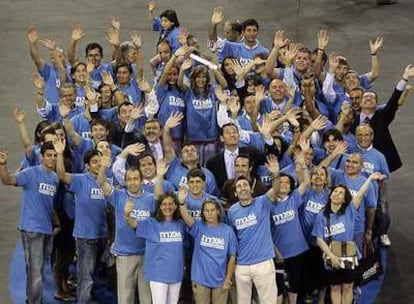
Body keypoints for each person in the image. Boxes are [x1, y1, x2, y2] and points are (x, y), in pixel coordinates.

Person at [98, 154, 167, 304]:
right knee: (125, 298)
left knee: (146, 298)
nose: (132, 182)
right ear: (125, 181)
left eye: (136, 179)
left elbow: (160, 197)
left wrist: (160, 176)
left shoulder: (149, 198)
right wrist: (103, 167)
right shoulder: (118, 196)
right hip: (124, 255)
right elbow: (101, 183)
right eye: (129, 179)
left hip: (146, 254)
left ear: (142, 181)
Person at [312, 172, 385, 304]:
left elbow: (361, 193)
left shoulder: (350, 210)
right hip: (331, 254)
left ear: (345, 199)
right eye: (335, 192)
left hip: (350, 255)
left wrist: (370, 179)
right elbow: (319, 239)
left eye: (340, 193)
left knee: (347, 287)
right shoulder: (322, 214)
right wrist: (331, 256)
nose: (336, 194)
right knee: (334, 288)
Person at [0, 142, 59, 304]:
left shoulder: (54, 178)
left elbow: (49, 204)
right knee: (36, 272)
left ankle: (31, 300)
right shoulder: (31, 173)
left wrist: (57, 222)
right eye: (49, 155)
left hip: (46, 229)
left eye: (55, 155)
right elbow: (8, 180)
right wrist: (3, 165)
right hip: (31, 229)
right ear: (42, 157)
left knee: (35, 269)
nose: (52, 158)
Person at [54, 139, 109, 303]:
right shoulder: (80, 180)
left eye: (100, 161)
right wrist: (59, 154)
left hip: (104, 236)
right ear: (87, 166)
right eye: (94, 162)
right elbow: (62, 175)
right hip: (86, 238)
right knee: (86, 278)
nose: (98, 165)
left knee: (97, 274)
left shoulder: (107, 181)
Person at [227, 154, 281, 304]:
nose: (242, 188)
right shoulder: (232, 211)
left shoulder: (262, 203)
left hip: (263, 262)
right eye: (239, 186)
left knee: (268, 301)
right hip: (242, 265)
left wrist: (276, 174)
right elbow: (232, 237)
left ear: (251, 190)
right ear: (235, 192)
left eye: (245, 185)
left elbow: (275, 191)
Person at [124, 192, 186, 304]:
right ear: (159, 206)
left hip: (176, 273)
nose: (168, 207)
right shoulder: (151, 223)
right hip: (158, 275)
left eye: (171, 204)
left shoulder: (180, 224)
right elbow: (133, 224)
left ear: (176, 206)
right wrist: (128, 215)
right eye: (164, 204)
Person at [178, 188, 237, 304]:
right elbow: (186, 217)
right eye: (206, 210)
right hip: (200, 280)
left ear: (218, 211)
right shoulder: (199, 227)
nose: (209, 213)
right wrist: (181, 202)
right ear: (203, 213)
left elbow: (232, 258)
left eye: (212, 210)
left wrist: (228, 279)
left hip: (220, 281)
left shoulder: (228, 231)